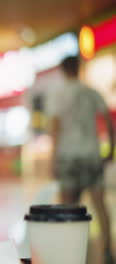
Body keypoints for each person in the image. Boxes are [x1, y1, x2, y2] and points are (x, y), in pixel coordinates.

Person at [46, 56, 114, 264]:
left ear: (63, 70)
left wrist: (53, 158)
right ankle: (107, 248)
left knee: (68, 206)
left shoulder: (58, 94)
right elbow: (108, 118)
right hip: (91, 154)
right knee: (99, 204)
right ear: (78, 69)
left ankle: (71, 250)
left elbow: (55, 128)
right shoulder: (90, 92)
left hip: (68, 157)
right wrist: (110, 147)